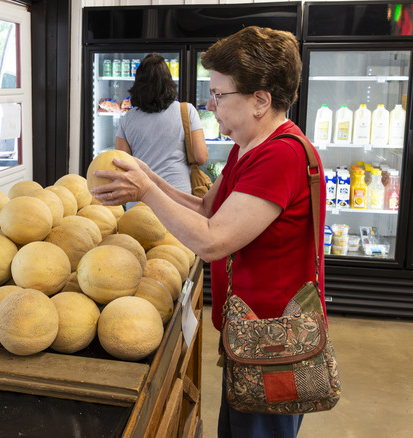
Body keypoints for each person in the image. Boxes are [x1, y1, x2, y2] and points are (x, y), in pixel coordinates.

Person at [92, 26, 327, 438]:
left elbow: (213, 240)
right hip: (248, 337)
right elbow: (203, 208)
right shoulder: (246, 148)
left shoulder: (280, 156)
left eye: (220, 95)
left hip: (272, 345)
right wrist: (148, 177)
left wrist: (146, 190)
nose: (211, 105)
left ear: (260, 101)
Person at [115, 53, 208, 204]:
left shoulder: (128, 119)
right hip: (178, 197)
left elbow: (121, 164)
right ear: (168, 82)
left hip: (140, 199)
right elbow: (201, 157)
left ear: (138, 84)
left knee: (141, 227)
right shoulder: (186, 111)